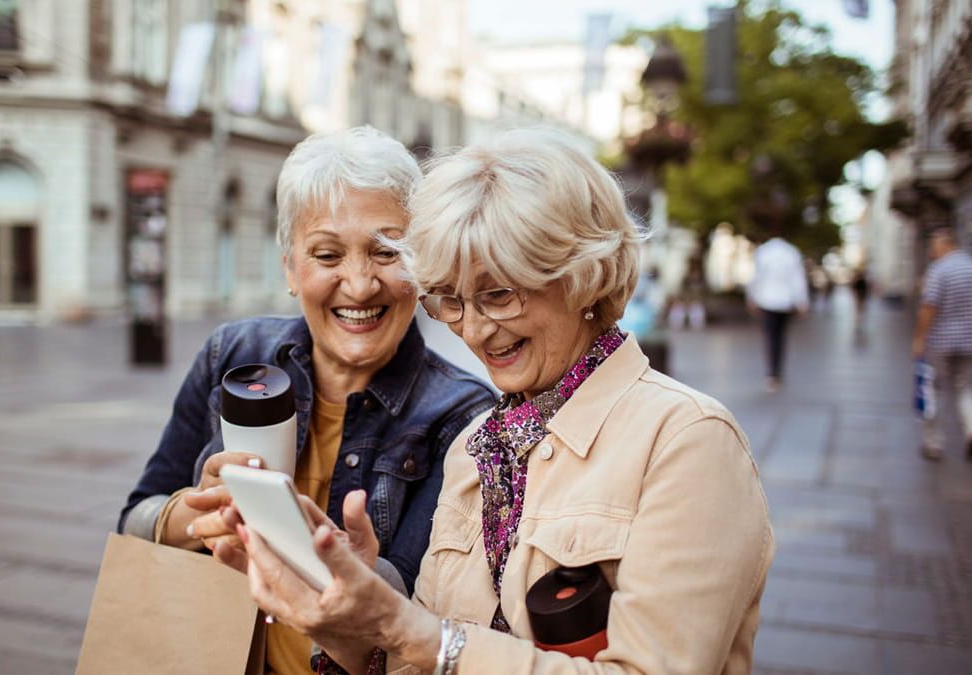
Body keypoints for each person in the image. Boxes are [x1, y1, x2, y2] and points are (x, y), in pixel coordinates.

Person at [215, 128, 774, 674]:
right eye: (450, 302)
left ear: (583, 274)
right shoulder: (476, 447)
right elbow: (416, 659)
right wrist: (345, 608)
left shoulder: (686, 441)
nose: (477, 330)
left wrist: (406, 627)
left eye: (498, 294)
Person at [117, 126, 495, 673]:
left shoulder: (463, 416)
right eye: (327, 254)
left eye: (387, 251)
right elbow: (134, 521)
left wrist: (348, 570)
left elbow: (426, 613)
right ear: (291, 268)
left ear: (422, 268)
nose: (360, 284)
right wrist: (193, 515)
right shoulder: (232, 354)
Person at [912, 227, 972, 462]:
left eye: (933, 246)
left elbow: (929, 307)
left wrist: (918, 339)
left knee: (933, 389)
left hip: (941, 341)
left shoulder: (939, 270)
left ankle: (933, 443)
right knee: (964, 387)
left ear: (943, 245)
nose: (931, 251)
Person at [746, 228, 809, 392]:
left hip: (767, 301)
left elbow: (756, 277)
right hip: (785, 301)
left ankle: (772, 373)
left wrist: (752, 298)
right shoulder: (792, 252)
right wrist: (801, 301)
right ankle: (777, 370)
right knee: (781, 336)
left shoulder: (763, 252)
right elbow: (797, 278)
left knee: (771, 336)